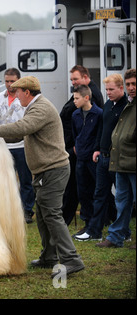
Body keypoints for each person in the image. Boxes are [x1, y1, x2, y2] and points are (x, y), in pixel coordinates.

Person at [0, 76, 85, 278]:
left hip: (53, 170)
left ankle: (71, 259)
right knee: (42, 215)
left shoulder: (40, 108)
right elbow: (18, 134)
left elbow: (23, 127)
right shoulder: (35, 107)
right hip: (46, 170)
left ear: (27, 92)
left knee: (52, 214)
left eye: (17, 92)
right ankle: (49, 257)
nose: (15, 96)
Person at [74, 74, 127, 241]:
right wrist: (97, 149)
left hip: (118, 158)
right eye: (107, 90)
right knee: (99, 195)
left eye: (111, 89)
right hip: (103, 157)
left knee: (122, 196)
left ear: (121, 88)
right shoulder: (108, 106)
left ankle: (123, 232)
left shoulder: (126, 107)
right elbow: (102, 131)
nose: (108, 92)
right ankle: (94, 231)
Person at [60, 65, 104, 227]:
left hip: (81, 150)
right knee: (77, 186)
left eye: (76, 79)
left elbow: (90, 126)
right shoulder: (78, 95)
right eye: (71, 79)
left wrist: (78, 147)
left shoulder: (92, 96)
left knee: (79, 187)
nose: (73, 82)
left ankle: (70, 218)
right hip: (75, 147)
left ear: (86, 77)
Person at [97, 68, 136, 248]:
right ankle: (116, 237)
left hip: (133, 161)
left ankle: (117, 235)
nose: (131, 87)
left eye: (134, 84)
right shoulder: (129, 103)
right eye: (129, 84)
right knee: (121, 201)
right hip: (121, 161)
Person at [0, 68, 35, 223]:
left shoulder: (25, 98)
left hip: (22, 144)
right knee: (4, 180)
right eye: (7, 81)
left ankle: (26, 210)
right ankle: (7, 210)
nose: (9, 84)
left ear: (19, 80)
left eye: (12, 81)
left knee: (25, 180)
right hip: (3, 145)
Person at [71, 85, 103, 235]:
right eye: (73, 98)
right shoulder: (75, 115)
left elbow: (99, 135)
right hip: (81, 158)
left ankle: (101, 221)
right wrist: (76, 146)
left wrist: (95, 149)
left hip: (93, 159)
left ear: (86, 98)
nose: (74, 101)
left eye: (77, 98)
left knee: (97, 191)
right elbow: (75, 133)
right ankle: (88, 223)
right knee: (82, 191)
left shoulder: (98, 114)